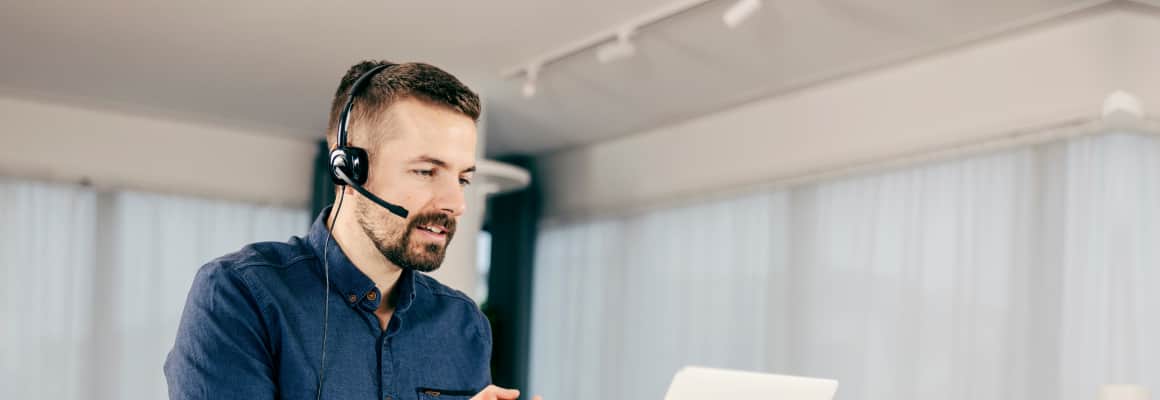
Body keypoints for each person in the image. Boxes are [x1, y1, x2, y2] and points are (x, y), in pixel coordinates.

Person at [164, 60, 538, 400]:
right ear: (349, 170)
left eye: (462, 179)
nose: (456, 204)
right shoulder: (239, 294)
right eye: (426, 171)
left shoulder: (464, 323)